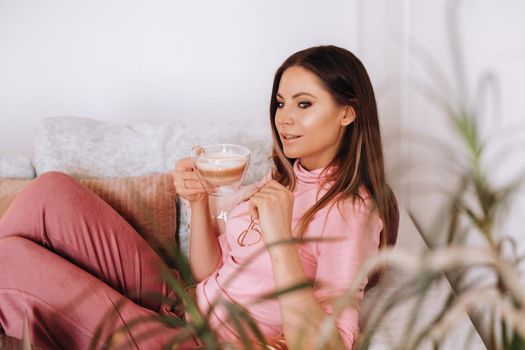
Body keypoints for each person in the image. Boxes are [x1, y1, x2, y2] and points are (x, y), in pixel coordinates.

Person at [0, 45, 398, 350]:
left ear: (349, 112)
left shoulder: (349, 211)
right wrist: (198, 202)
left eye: (304, 104)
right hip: (182, 301)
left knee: (11, 261)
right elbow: (211, 272)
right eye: (280, 103)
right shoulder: (282, 179)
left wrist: (280, 242)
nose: (284, 117)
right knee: (52, 191)